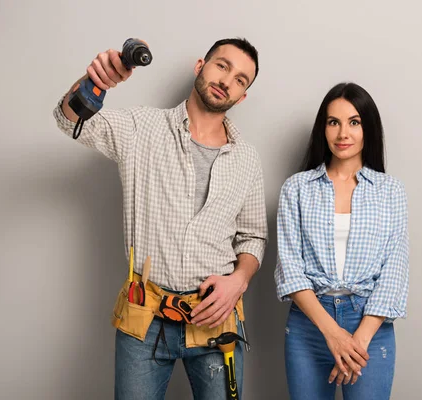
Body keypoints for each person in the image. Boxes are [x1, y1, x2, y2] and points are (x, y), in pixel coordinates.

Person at [53, 38, 267, 400]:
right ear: (201, 65)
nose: (228, 80)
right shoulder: (142, 128)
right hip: (144, 316)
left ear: (242, 96)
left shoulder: (246, 159)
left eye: (241, 79)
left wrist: (239, 280)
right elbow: (69, 120)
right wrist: (95, 83)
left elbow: (253, 238)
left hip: (217, 320)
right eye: (222, 66)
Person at [274, 82, 409, 400]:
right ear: (323, 128)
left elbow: (395, 270)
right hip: (310, 324)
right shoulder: (297, 189)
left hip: (370, 327)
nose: (342, 133)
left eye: (354, 122)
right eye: (333, 122)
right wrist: (332, 333)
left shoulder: (390, 191)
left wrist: (357, 342)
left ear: (368, 128)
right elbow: (290, 268)